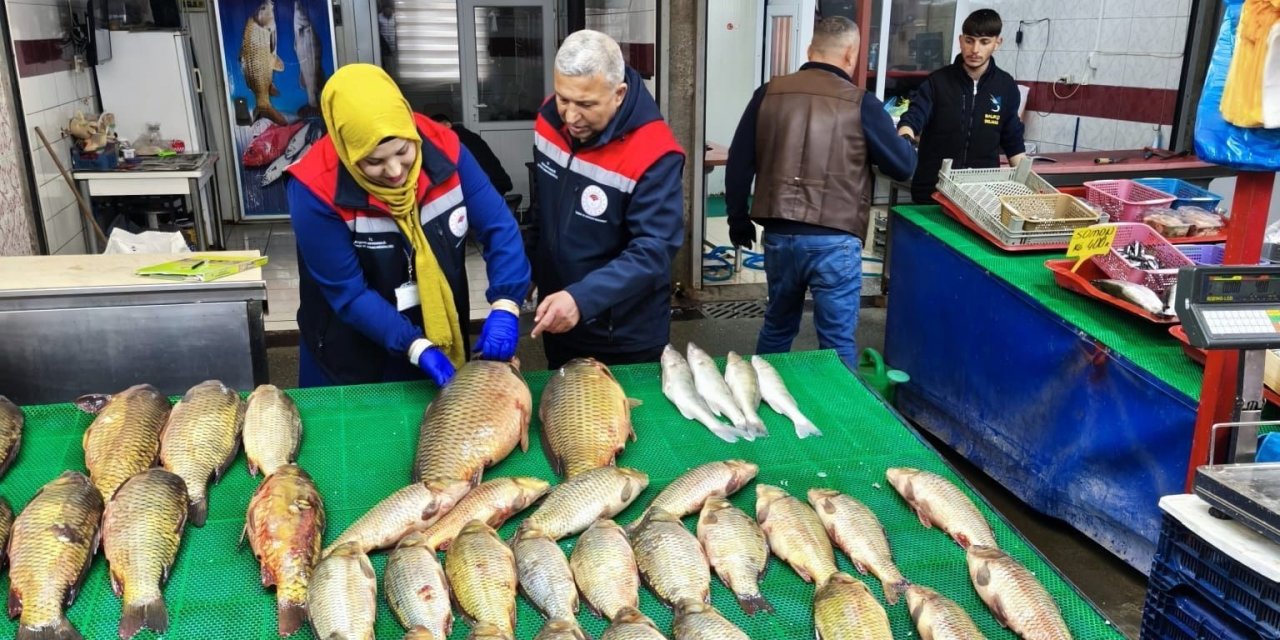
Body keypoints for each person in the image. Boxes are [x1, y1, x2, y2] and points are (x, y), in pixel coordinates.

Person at [287, 64, 530, 387]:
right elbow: (350, 293)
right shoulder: (314, 188)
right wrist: (414, 346)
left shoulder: (446, 148)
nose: (395, 171)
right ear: (347, 150)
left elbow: (500, 227)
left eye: (403, 151)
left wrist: (506, 302)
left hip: (433, 328)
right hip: (348, 349)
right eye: (373, 161)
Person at [725, 16, 916, 372]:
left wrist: (738, 219)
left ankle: (761, 405)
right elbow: (904, 167)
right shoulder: (862, 103)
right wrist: (904, 135)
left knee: (778, 327)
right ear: (850, 55)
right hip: (836, 240)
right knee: (837, 341)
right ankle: (840, 420)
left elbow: (739, 161)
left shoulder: (769, 93)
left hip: (780, 235)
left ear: (811, 49)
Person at [529, 29, 685, 370]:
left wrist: (582, 299)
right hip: (561, 316)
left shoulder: (655, 153)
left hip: (623, 333)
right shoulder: (548, 119)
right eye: (563, 98)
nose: (570, 116)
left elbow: (654, 250)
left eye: (586, 104)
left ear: (619, 94)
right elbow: (544, 205)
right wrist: (530, 266)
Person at [896, 9, 1027, 204]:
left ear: (997, 43)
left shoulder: (1005, 86)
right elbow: (913, 117)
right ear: (960, 40)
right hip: (932, 192)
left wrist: (1027, 186)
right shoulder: (937, 82)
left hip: (981, 195)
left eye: (984, 42)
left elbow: (1013, 141)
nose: (975, 49)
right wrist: (905, 137)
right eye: (969, 40)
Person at [430, 113, 514, 195]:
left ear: (448, 125)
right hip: (495, 184)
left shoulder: (457, 140)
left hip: (490, 188)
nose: (435, 134)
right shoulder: (464, 135)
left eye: (436, 129)